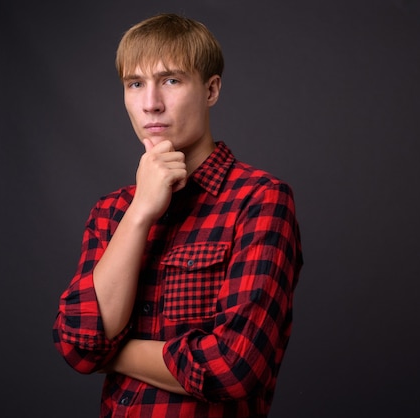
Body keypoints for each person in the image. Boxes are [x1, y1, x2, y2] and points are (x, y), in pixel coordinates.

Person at [52, 13, 303, 418]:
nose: (150, 102)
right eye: (135, 84)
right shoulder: (112, 211)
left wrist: (110, 352)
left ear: (210, 89)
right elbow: (78, 346)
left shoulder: (259, 199)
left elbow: (232, 367)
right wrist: (140, 213)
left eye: (170, 80)